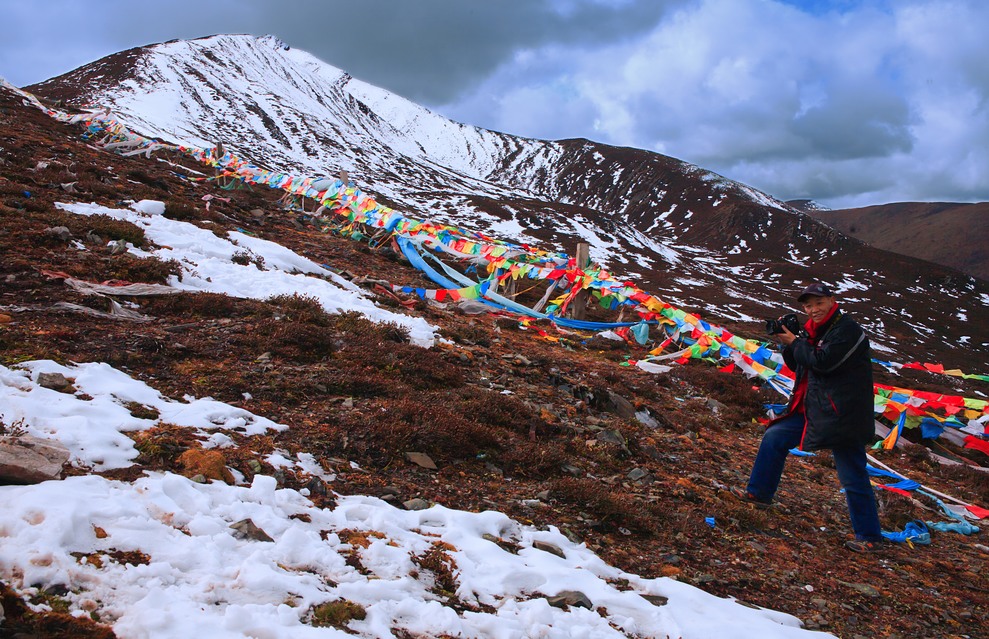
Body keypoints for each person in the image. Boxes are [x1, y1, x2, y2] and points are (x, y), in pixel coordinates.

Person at [732, 282, 884, 552]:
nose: (813, 310)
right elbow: (801, 364)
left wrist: (796, 342)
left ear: (831, 300)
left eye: (818, 303)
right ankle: (759, 494)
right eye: (808, 305)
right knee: (775, 436)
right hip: (813, 408)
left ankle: (870, 537)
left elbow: (825, 362)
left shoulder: (848, 330)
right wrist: (788, 343)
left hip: (843, 414)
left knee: (852, 473)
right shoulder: (813, 332)